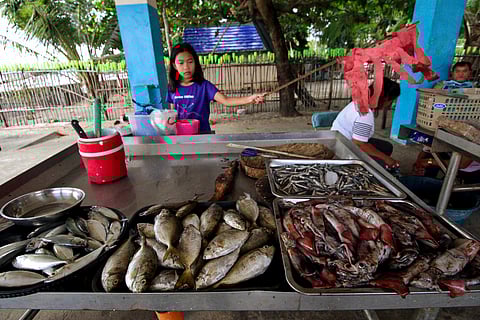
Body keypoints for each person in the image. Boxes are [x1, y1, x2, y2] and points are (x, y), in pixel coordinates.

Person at [167, 43, 265, 134]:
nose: (186, 67)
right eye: (181, 63)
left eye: (190, 62)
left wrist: (250, 99)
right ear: (174, 65)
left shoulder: (204, 86)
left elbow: (226, 100)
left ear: (195, 63)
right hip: (180, 138)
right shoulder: (172, 88)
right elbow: (171, 113)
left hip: (203, 137)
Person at [414, 61, 478, 177]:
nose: (461, 74)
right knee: (429, 147)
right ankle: (422, 171)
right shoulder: (442, 85)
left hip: (463, 126)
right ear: (452, 73)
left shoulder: (474, 90)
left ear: (469, 73)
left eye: (464, 71)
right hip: (440, 122)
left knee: (454, 152)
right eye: (458, 71)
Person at [331, 77, 401, 169]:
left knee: (387, 147)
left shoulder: (360, 101)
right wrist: (386, 159)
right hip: (344, 149)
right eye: (391, 101)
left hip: (342, 141)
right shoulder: (365, 113)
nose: (390, 104)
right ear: (385, 98)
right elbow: (359, 144)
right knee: (382, 166)